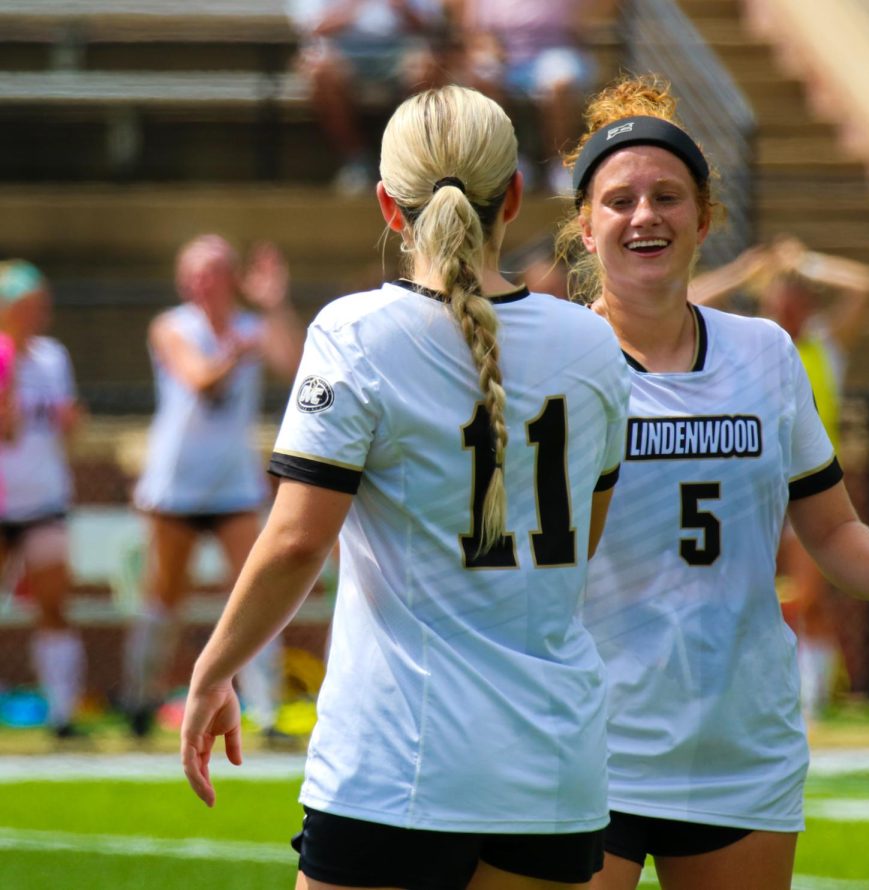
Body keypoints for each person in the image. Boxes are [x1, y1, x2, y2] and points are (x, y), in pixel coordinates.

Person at [180, 85, 630, 890]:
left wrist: (215, 668)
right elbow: (579, 548)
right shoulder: (593, 344)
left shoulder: (354, 333)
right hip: (553, 768)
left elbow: (293, 542)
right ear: (515, 198)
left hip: (396, 763)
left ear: (391, 208)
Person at [556, 76, 869, 890]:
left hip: (740, 745)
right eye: (619, 201)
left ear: (705, 217)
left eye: (667, 196)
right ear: (585, 229)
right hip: (589, 743)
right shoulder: (554, 364)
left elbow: (830, 527)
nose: (644, 216)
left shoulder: (765, 353)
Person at [122, 236, 304, 738]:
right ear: (186, 281)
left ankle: (265, 711)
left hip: (232, 486)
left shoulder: (252, 326)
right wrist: (236, 351)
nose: (207, 281)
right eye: (199, 272)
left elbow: (295, 363)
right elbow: (198, 378)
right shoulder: (171, 326)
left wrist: (275, 305)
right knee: (165, 596)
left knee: (255, 593)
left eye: (218, 270)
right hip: (175, 487)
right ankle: (140, 698)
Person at [691, 237, 869, 717]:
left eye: (797, 297)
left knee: (810, 598)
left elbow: (864, 285)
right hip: (746, 486)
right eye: (779, 295)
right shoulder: (746, 343)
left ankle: (811, 697)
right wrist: (745, 269)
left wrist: (807, 261)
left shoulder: (823, 345)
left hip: (807, 490)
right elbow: (691, 299)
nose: (788, 306)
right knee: (733, 592)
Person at [0, 260, 86, 739]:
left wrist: (72, 422)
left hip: (44, 499)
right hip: (3, 499)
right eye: (27, 306)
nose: (38, 314)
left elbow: (63, 432)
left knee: (54, 605)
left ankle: (62, 713)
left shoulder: (54, 357)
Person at [289, 0, 447, 193]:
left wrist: (403, 9)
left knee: (428, 67)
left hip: (401, 49)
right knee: (319, 72)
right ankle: (358, 161)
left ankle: (406, 158)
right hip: (339, 52)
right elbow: (314, 27)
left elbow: (431, 27)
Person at [456, 0, 604, 193]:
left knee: (560, 81)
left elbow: (590, 18)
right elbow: (477, 34)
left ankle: (560, 163)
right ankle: (508, 159)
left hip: (556, 53)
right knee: (484, 75)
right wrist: (493, 52)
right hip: (507, 59)